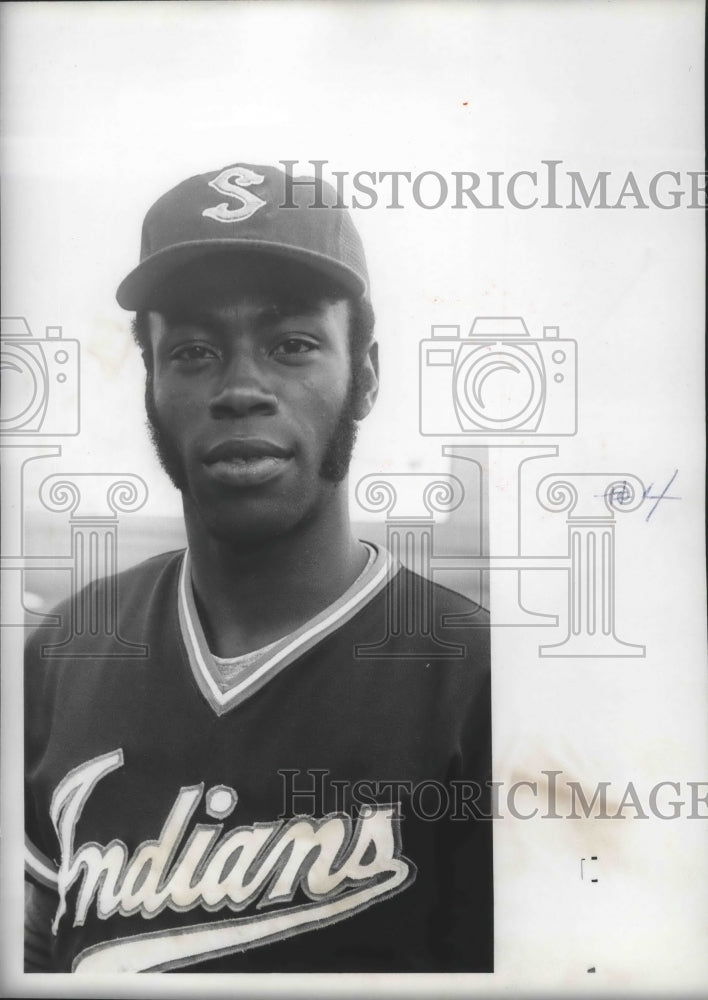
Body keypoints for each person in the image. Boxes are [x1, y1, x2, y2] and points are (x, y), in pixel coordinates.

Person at [24, 162, 492, 973]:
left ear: (366, 375)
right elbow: (36, 949)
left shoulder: (479, 672)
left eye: (292, 345)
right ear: (151, 386)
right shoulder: (62, 652)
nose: (241, 389)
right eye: (196, 351)